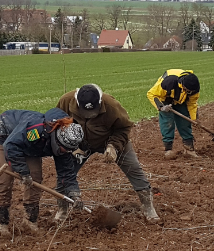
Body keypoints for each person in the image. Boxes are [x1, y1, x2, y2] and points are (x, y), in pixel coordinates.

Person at [57, 84, 159, 222]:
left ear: (99, 102)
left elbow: (124, 128)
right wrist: (72, 147)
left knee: (134, 168)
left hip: (109, 139)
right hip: (79, 144)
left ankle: (148, 206)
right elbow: (57, 126)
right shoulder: (65, 101)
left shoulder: (111, 105)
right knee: (65, 172)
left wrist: (113, 147)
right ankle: (62, 209)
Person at [0, 107, 84, 226]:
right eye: (64, 148)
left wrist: (75, 194)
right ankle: (2, 223)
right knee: (5, 179)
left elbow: (67, 173)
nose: (66, 152)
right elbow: (11, 145)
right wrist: (23, 172)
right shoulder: (36, 131)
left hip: (29, 145)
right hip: (3, 135)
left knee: (35, 177)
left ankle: (30, 221)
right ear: (57, 140)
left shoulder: (64, 147)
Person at [147, 69, 200, 158]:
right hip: (165, 98)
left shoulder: (194, 89)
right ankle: (168, 149)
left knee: (184, 121)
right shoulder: (168, 82)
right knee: (168, 122)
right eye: (188, 90)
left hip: (181, 99)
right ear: (183, 85)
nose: (190, 92)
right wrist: (161, 107)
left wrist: (194, 119)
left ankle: (189, 149)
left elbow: (192, 104)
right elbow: (151, 94)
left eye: (190, 91)